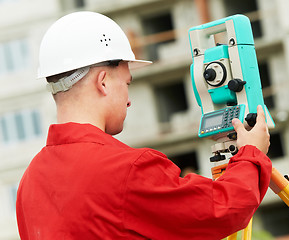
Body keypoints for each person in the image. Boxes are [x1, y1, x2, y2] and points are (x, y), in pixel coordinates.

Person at [16, 11, 272, 240]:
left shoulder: (30, 181)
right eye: (126, 84)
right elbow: (224, 209)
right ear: (103, 81)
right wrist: (252, 154)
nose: (128, 101)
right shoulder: (127, 170)